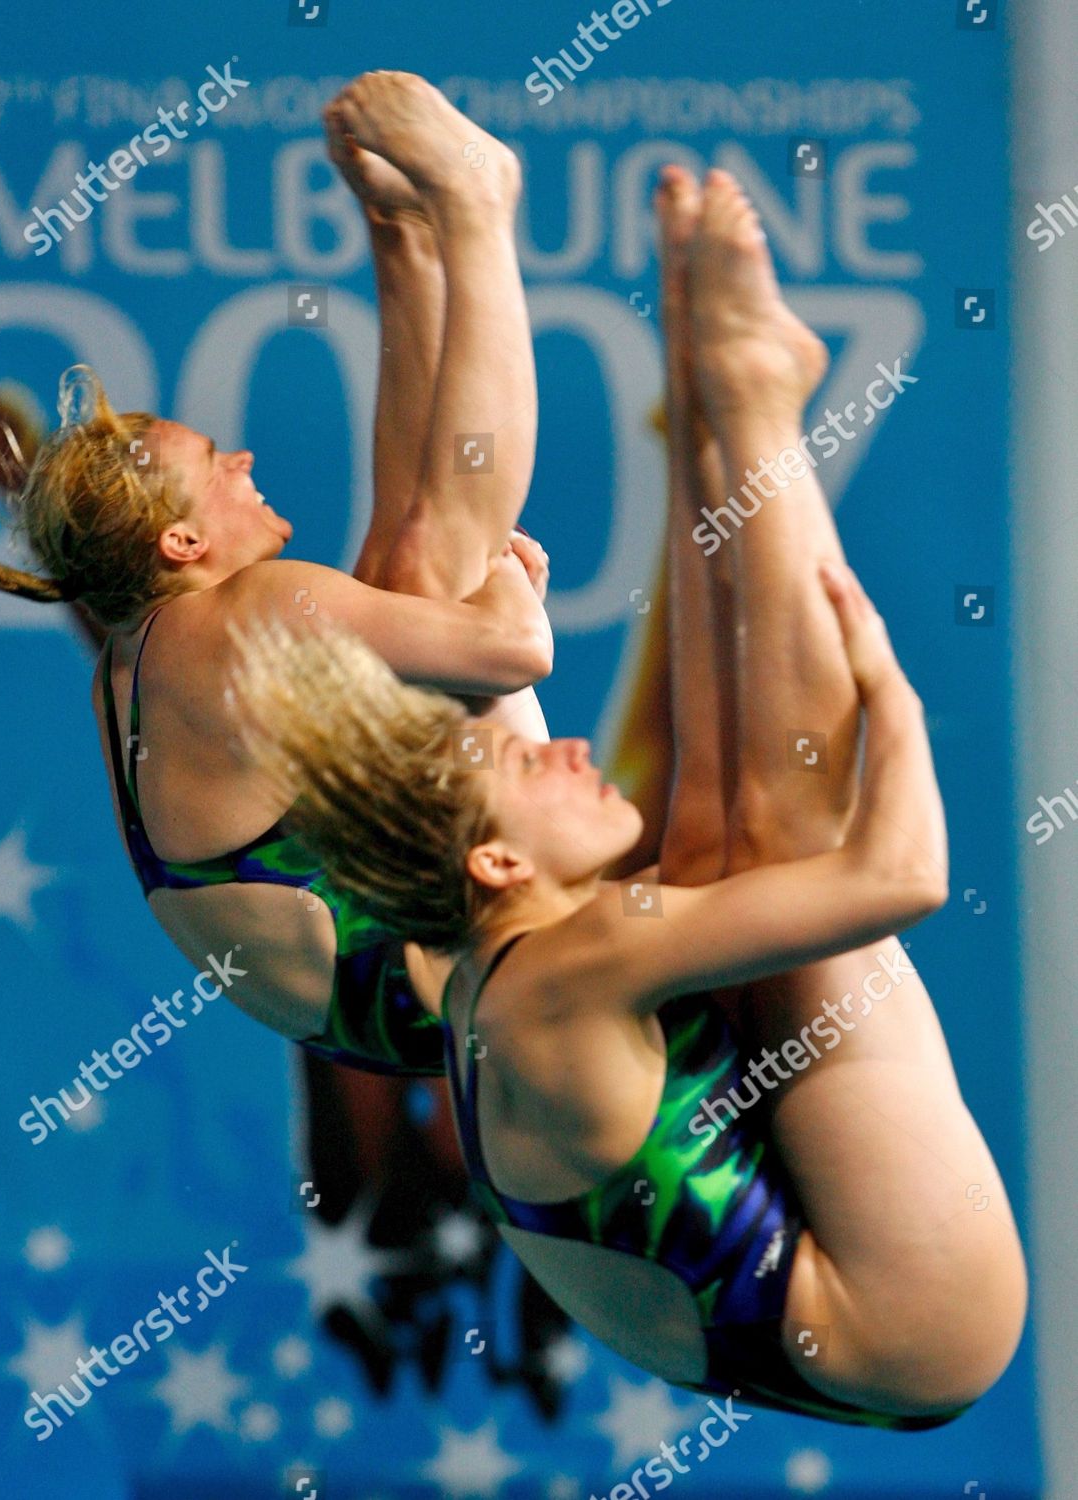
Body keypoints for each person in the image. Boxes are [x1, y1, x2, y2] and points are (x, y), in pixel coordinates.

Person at [227, 168, 1028, 1428]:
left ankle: (719, 401)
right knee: (778, 838)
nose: (565, 750)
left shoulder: (509, 947)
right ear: (493, 865)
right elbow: (901, 879)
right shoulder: (553, 972)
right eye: (530, 766)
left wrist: (429, 241)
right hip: (908, 1321)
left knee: (718, 844)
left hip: (763, 1288)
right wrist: (892, 697)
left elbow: (437, 560)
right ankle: (746, 402)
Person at [0, 71, 553, 1078]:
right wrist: (508, 582)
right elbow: (515, 652)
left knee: (398, 569)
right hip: (443, 976)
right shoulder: (242, 615)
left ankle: (406, 237)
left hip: (383, 996)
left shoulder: (143, 651)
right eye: (213, 463)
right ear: (180, 547)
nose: (240, 459)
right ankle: (475, 211)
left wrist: (390, 236)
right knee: (436, 560)